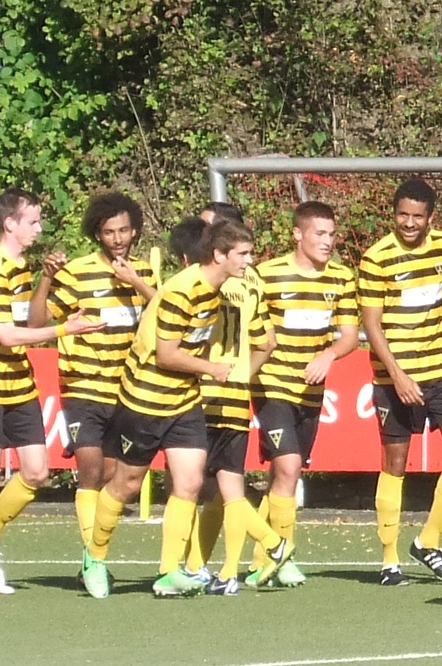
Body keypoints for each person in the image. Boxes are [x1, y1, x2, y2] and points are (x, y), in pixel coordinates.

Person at [79, 220, 292, 598]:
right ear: (219, 255)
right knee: (126, 484)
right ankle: (94, 558)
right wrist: (212, 369)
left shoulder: (217, 290)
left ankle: (169, 572)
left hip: (185, 401)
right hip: (145, 399)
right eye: (243, 254)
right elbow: (166, 354)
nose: (249, 261)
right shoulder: (183, 290)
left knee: (191, 483)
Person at [0, 187, 106, 594]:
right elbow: (6, 335)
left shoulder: (20, 266)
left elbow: (27, 323)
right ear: (9, 223)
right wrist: (66, 329)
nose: (39, 228)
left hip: (17, 380)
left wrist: (47, 279)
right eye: (32, 221)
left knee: (36, 472)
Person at [358, 178, 442, 586]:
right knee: (395, 463)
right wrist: (397, 375)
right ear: (393, 214)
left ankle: (428, 541)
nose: (409, 223)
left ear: (431, 217)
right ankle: (390, 561)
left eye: (417, 216)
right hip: (394, 377)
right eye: (402, 215)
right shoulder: (376, 258)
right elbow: (371, 324)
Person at [27, 192, 156, 571]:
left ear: (135, 232)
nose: (118, 239)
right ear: (98, 234)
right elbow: (36, 323)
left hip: (127, 390)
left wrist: (136, 282)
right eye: (109, 232)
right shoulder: (77, 272)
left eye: (124, 231)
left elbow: (167, 313)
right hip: (83, 387)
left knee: (113, 475)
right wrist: (46, 278)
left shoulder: (144, 272)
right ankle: (92, 562)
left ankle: (95, 550)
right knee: (91, 470)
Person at [168, 214, 290, 596]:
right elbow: (268, 342)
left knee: (188, 485)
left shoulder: (205, 284)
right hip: (236, 394)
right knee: (229, 487)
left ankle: (270, 542)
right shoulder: (253, 282)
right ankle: (226, 573)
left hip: (203, 392)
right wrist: (242, 374)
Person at [245, 201, 359, 587]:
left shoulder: (341, 277)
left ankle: (262, 559)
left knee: (284, 474)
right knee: (289, 466)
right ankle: (284, 555)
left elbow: (349, 336)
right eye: (319, 234)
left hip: (311, 390)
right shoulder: (267, 275)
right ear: (297, 234)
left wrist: (329, 355)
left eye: (332, 234)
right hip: (272, 385)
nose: (327, 242)